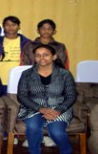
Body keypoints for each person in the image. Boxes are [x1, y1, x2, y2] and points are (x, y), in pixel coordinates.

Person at [17, 44, 76, 154]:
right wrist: (40, 109)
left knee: (57, 132)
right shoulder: (27, 74)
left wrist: (59, 110)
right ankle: (34, 152)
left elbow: (71, 96)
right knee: (33, 127)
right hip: (33, 107)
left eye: (46, 55)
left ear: (54, 57)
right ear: (34, 58)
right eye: (38, 55)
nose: (42, 58)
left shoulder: (65, 74)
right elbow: (22, 96)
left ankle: (66, 150)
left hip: (58, 107)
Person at [22, 19, 70, 147]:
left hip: (54, 82)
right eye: (43, 28)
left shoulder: (60, 46)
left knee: (53, 103)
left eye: (49, 28)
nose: (46, 31)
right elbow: (24, 63)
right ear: (38, 30)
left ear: (54, 31)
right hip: (33, 83)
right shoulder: (29, 45)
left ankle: (49, 136)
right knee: (34, 107)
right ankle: (34, 137)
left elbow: (64, 65)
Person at [0, 16, 31, 94]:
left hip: (19, 80)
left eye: (13, 25)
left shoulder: (27, 43)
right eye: (7, 25)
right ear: (3, 26)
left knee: (16, 105)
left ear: (18, 26)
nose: (10, 27)